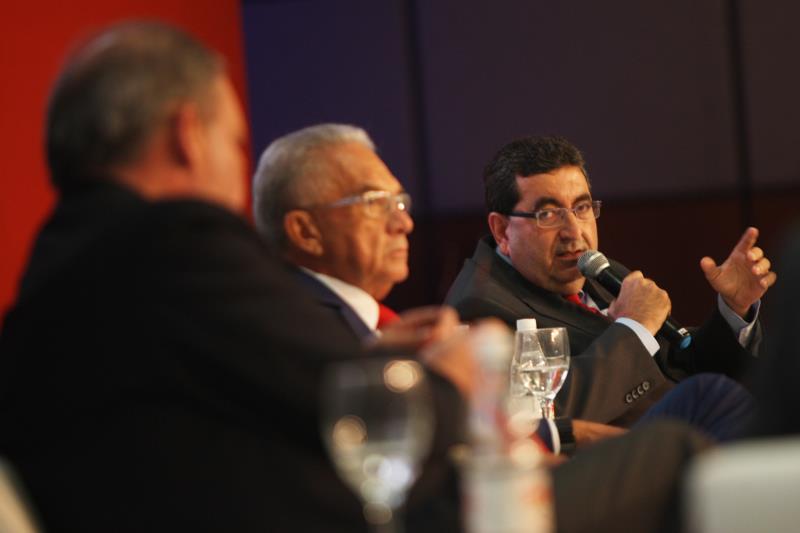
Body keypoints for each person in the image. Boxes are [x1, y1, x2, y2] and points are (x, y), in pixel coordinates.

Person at [0, 22, 473, 533]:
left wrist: (372, 359)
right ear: (187, 135)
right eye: (235, 143)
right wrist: (453, 378)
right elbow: (365, 416)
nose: (240, 177)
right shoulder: (174, 241)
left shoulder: (59, 260)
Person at [445, 135, 775, 429]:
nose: (574, 232)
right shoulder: (479, 308)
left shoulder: (595, 270)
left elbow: (681, 361)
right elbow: (547, 416)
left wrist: (734, 308)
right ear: (502, 231)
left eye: (582, 207)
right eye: (548, 214)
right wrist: (634, 328)